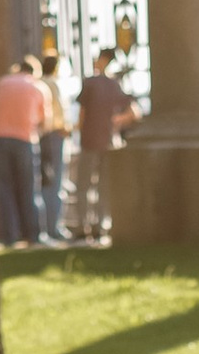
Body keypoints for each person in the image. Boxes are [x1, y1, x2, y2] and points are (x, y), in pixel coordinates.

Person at [72, 48, 139, 244]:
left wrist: (79, 129)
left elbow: (82, 115)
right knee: (104, 187)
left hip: (90, 140)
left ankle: (83, 228)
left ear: (102, 60)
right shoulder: (115, 85)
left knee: (83, 185)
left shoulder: (90, 83)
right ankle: (102, 227)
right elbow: (134, 112)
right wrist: (115, 121)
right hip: (109, 141)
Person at [0, 51, 49, 246]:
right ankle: (33, 234)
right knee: (29, 187)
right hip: (25, 139)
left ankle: (9, 235)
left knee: (3, 188)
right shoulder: (37, 87)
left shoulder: (2, 83)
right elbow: (44, 120)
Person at [34, 37, 72, 243]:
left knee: (44, 180)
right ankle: (53, 226)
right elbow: (58, 113)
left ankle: (46, 226)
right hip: (55, 134)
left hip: (42, 135)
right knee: (54, 181)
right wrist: (65, 129)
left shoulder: (38, 84)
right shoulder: (53, 86)